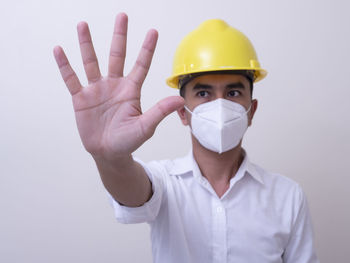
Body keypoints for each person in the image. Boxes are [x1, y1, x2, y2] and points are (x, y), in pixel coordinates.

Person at [53, 13, 319, 263]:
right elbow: (131, 191)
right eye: (203, 94)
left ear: (252, 110)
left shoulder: (287, 196)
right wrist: (110, 157)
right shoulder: (163, 182)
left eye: (233, 93)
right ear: (183, 112)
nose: (219, 105)